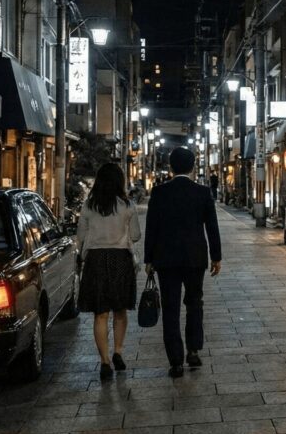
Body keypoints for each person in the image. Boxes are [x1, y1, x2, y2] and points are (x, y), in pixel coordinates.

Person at [144, 148, 222, 378]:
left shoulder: (159, 193)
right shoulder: (202, 192)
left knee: (170, 308)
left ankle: (176, 361)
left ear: (170, 167)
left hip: (166, 259)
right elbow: (212, 227)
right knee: (195, 303)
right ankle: (194, 350)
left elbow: (152, 228)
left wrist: (149, 258)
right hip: (195, 257)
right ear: (193, 167)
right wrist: (216, 256)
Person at [76, 163, 141, 381]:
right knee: (120, 311)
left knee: (100, 313)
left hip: (95, 260)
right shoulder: (128, 205)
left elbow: (81, 238)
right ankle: (118, 351)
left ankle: (104, 361)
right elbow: (135, 235)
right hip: (120, 258)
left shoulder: (88, 206)